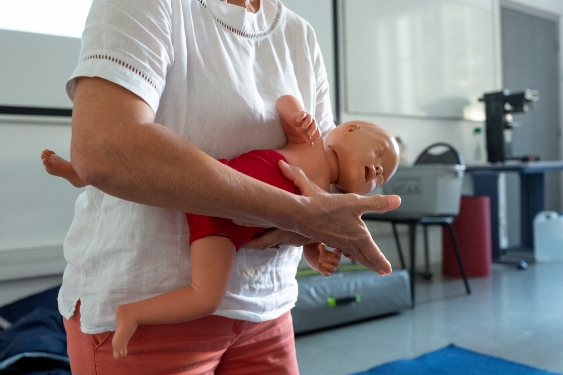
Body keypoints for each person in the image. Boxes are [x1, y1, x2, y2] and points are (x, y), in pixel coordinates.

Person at [57, 0, 401, 373]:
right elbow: (105, 149)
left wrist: (318, 235)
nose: (378, 170)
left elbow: (321, 199)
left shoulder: (299, 33)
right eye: (380, 156)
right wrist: (300, 216)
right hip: (151, 313)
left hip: (267, 308)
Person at [42, 94, 400, 360]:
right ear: (351, 130)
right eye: (380, 155)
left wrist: (317, 257)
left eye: (383, 177)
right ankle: (81, 172)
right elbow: (284, 103)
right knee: (156, 171)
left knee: (207, 295)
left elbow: (305, 234)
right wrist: (297, 114)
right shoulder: (312, 142)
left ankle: (133, 312)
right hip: (220, 180)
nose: (379, 172)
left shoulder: (330, 200)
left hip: (226, 231)